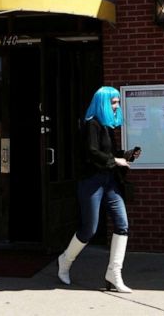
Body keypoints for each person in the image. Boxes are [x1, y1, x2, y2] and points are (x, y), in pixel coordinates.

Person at [57, 86, 140, 292]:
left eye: (117, 102)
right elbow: (92, 153)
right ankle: (65, 262)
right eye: (113, 102)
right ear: (102, 102)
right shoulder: (91, 125)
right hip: (92, 182)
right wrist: (116, 160)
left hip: (110, 181)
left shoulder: (108, 126)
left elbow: (109, 154)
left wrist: (126, 155)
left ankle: (114, 273)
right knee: (89, 229)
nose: (116, 106)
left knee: (122, 225)